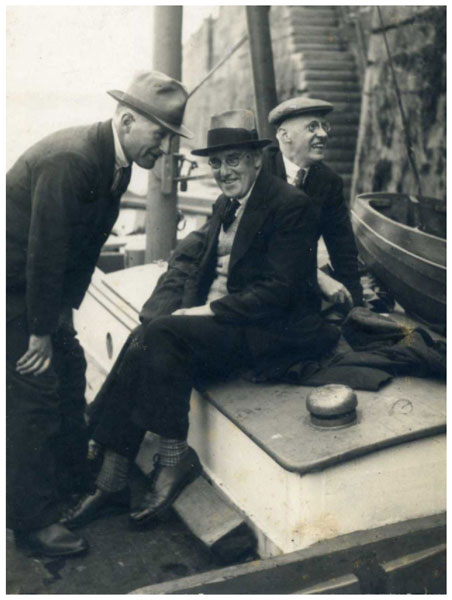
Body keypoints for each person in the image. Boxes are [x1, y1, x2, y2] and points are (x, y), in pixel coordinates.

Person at [62, 109, 339, 531]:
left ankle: (164, 458)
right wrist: (168, 309)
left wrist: (204, 310)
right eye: (217, 163)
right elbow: (191, 259)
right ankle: (113, 478)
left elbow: (279, 293)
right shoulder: (227, 204)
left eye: (234, 160)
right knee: (147, 333)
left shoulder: (291, 206)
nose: (224, 172)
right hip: (231, 325)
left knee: (161, 335)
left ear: (257, 160)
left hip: (272, 332)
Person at [6, 71, 191, 557]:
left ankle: (69, 483)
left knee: (71, 376)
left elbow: (83, 249)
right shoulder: (71, 161)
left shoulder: (117, 164)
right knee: (34, 395)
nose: (165, 148)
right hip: (14, 289)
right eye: (160, 135)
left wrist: (64, 314)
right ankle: (32, 523)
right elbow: (44, 251)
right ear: (127, 121)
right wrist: (40, 332)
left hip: (43, 294)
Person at [263, 96, 363, 309]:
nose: (323, 134)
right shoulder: (260, 171)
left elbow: (342, 247)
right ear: (285, 135)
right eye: (312, 127)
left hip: (297, 288)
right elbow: (254, 245)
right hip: (255, 280)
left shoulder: (328, 182)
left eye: (324, 126)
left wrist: (356, 305)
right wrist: (316, 276)